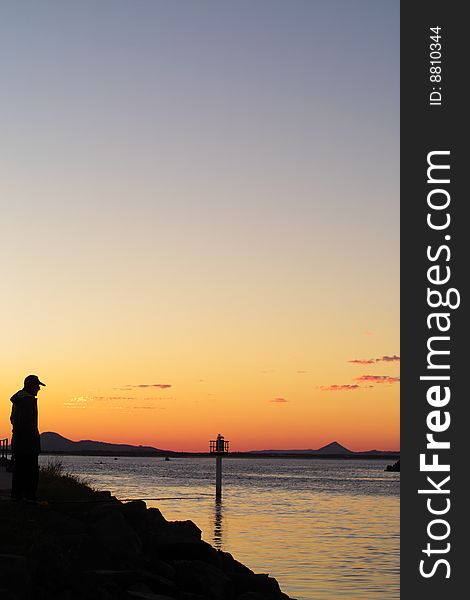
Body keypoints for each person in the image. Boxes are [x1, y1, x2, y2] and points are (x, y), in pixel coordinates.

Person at [10, 374, 45, 501]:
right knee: (30, 471)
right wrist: (32, 439)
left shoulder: (19, 400)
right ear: (30, 386)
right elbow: (26, 423)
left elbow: (13, 420)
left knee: (20, 470)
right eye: (37, 386)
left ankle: (18, 497)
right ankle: (29, 497)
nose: (39, 389)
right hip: (27, 443)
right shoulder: (27, 401)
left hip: (19, 441)